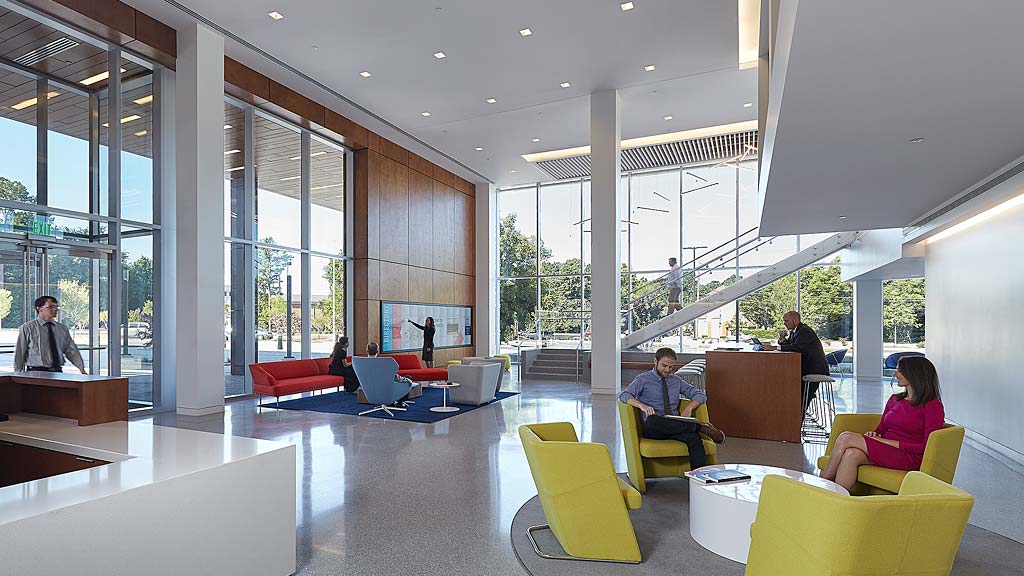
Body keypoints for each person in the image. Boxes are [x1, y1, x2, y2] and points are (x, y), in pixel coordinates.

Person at [820, 356, 944, 491]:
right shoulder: (895, 399)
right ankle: (838, 499)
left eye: (899, 371)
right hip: (885, 449)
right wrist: (875, 435)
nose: (895, 374)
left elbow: (926, 447)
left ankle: (821, 486)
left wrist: (885, 442)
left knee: (846, 437)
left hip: (908, 456)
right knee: (851, 454)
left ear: (914, 374)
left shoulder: (933, 406)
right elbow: (881, 429)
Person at [619, 347, 726, 471]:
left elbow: (700, 395)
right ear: (655, 361)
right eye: (664, 366)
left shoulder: (676, 381)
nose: (667, 370)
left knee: (694, 439)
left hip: (676, 426)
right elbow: (624, 395)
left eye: (671, 367)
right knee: (653, 420)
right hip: (655, 428)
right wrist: (642, 406)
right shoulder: (643, 379)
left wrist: (689, 408)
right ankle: (701, 428)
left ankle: (699, 478)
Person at [760, 310, 828, 412]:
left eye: (786, 321)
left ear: (795, 320)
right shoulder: (796, 331)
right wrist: (782, 338)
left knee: (798, 397)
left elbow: (796, 347)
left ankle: (797, 420)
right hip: (803, 369)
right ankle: (791, 417)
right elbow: (789, 344)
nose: (784, 323)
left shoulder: (805, 331)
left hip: (813, 369)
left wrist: (774, 348)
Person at [14, 296, 87, 374]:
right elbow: (20, 353)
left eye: (56, 307)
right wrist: (18, 373)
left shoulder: (62, 329)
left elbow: (71, 350)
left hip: (57, 372)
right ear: (39, 308)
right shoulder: (28, 328)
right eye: (51, 307)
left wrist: (81, 369)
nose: (55, 309)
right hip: (36, 372)